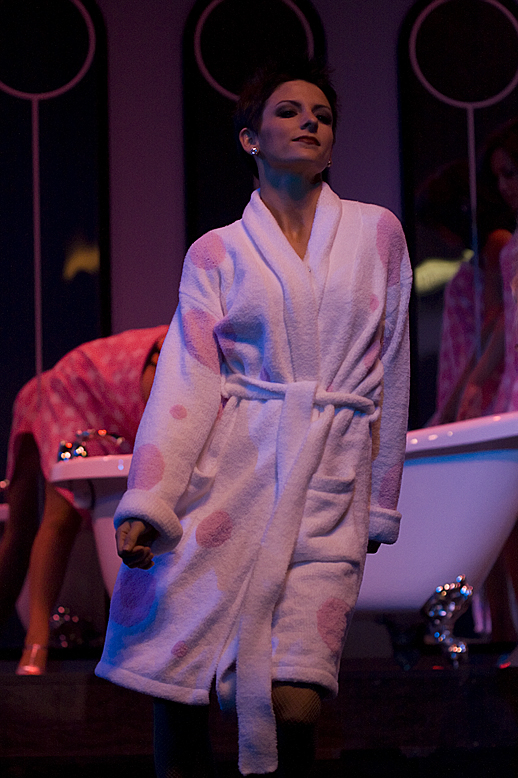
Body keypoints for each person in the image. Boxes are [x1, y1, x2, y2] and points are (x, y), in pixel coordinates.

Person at [95, 60, 412, 777]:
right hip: (227, 480)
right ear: (249, 138)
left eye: (322, 116)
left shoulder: (377, 235)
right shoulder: (217, 252)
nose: (310, 122)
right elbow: (188, 377)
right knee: (176, 674)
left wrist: (382, 497)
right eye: (291, 111)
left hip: (327, 481)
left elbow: (392, 372)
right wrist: (151, 498)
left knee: (295, 697)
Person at [0, 325, 167, 674]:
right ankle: (36, 642)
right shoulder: (185, 342)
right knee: (59, 515)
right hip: (74, 387)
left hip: (111, 399)